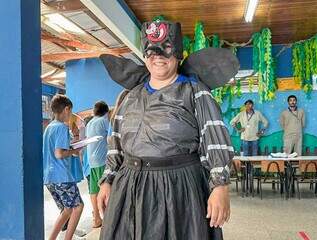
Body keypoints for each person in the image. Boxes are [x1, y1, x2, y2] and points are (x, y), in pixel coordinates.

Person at [97, 20, 238, 240]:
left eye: (167, 48)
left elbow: (215, 137)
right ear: (144, 55)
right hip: (129, 187)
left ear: (179, 54)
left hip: (178, 189)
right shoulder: (129, 96)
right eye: (151, 50)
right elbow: (115, 142)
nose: (158, 55)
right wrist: (108, 179)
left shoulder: (195, 91)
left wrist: (220, 186)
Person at [43, 94, 84, 240]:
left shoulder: (49, 127)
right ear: (66, 109)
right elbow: (59, 154)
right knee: (78, 207)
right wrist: (75, 151)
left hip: (49, 178)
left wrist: (70, 147)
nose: (71, 115)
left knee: (67, 210)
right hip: (62, 176)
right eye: (71, 111)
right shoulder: (61, 127)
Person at [85, 101, 109, 228]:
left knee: (94, 189)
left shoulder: (90, 123)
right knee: (105, 188)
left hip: (91, 162)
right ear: (106, 112)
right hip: (102, 160)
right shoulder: (103, 121)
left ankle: (96, 219)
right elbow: (112, 136)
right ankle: (108, 218)